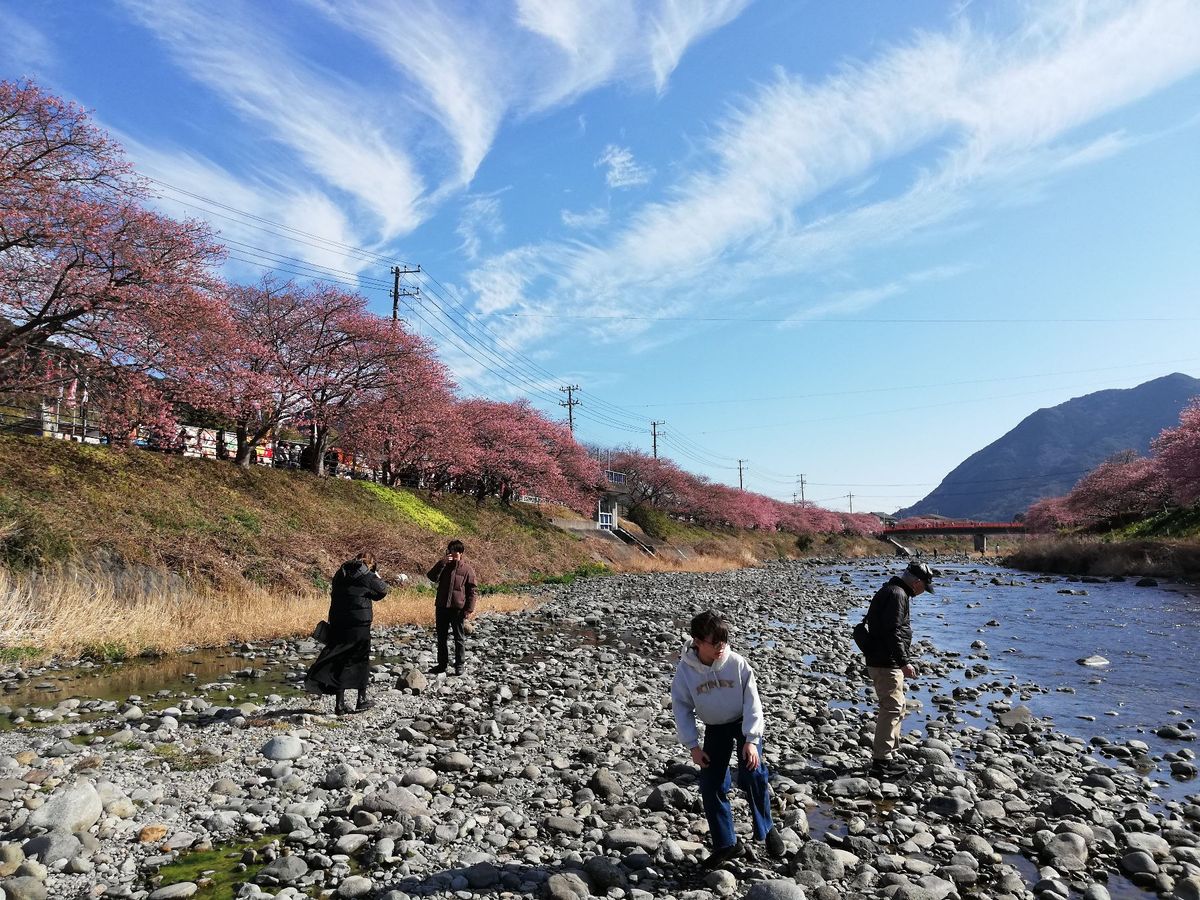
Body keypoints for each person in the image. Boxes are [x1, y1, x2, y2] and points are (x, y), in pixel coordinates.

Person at [671, 610, 785, 869]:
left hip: (743, 724)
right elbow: (681, 707)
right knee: (710, 785)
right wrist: (693, 746)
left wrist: (752, 740)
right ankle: (726, 844)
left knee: (753, 774)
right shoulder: (686, 671)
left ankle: (766, 829)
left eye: (724, 640)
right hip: (715, 728)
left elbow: (753, 703)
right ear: (697, 641)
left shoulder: (737, 663)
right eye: (715, 642)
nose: (721, 647)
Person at [863, 560, 935, 779]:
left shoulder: (893, 591)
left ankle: (888, 756)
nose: (924, 592)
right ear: (916, 582)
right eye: (925, 587)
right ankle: (881, 763)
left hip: (884, 659)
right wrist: (904, 662)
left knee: (898, 707)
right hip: (886, 662)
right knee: (892, 708)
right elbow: (892, 631)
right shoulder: (897, 595)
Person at [305, 552, 389, 715]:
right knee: (361, 659)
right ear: (370, 563)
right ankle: (361, 700)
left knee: (340, 660)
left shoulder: (340, 573)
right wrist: (375, 574)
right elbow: (382, 591)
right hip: (359, 624)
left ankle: (340, 704)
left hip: (338, 621)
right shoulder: (367, 574)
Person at [426, 539, 478, 675]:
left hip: (457, 608)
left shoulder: (467, 570)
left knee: (459, 638)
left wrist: (469, 609)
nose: (452, 554)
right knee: (441, 637)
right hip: (442, 606)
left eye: (454, 552)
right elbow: (431, 577)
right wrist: (442, 562)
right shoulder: (444, 566)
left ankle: (459, 665)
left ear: (460, 553)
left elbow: (472, 591)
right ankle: (442, 664)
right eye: (450, 551)